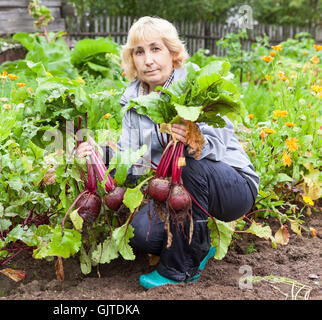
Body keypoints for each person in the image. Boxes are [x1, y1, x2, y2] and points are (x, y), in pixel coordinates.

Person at [76, 16, 259, 289]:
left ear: (173, 54)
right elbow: (133, 164)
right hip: (177, 192)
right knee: (141, 235)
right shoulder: (133, 103)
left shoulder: (196, 89)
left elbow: (220, 144)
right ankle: (199, 244)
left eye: (155, 49)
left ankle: (179, 269)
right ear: (132, 60)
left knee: (187, 162)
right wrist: (98, 155)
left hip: (231, 186)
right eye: (139, 52)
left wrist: (195, 140)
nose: (148, 60)